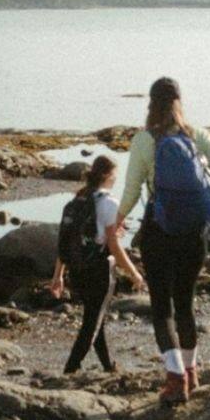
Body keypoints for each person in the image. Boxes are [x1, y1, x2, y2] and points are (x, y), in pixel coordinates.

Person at [115, 76, 210, 404]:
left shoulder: (144, 140)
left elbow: (132, 190)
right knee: (185, 302)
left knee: (161, 307)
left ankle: (175, 377)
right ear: (180, 101)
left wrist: (116, 222)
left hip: (158, 230)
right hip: (194, 232)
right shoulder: (199, 137)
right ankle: (192, 373)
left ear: (150, 103)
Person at [49, 154, 145, 376]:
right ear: (107, 175)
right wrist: (134, 273)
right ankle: (70, 369)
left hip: (77, 270)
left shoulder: (77, 201)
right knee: (91, 324)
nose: (115, 179)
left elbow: (65, 242)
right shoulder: (109, 203)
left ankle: (108, 366)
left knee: (96, 317)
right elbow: (114, 246)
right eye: (114, 175)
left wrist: (59, 276)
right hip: (99, 270)